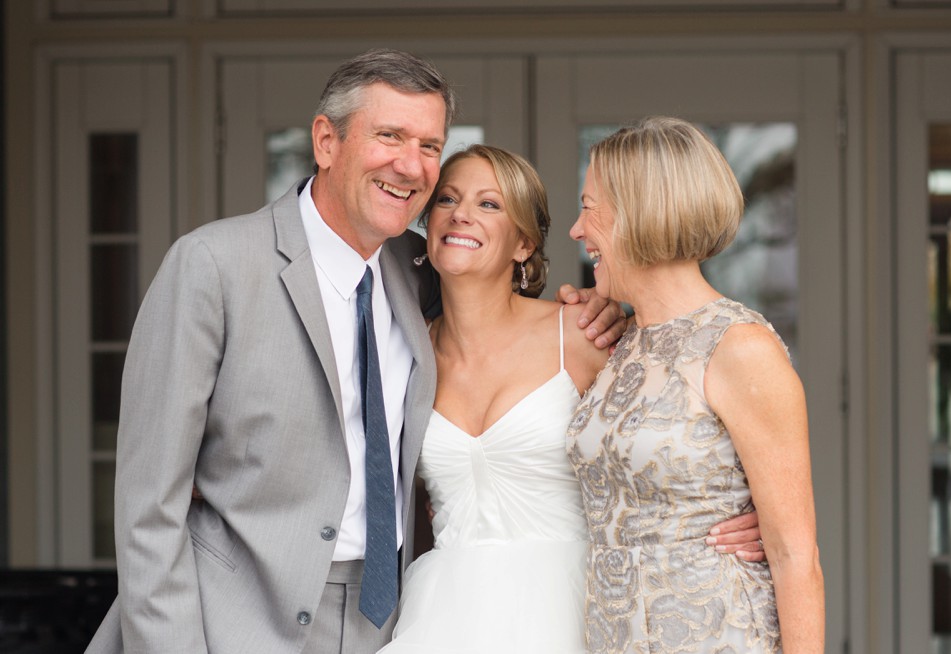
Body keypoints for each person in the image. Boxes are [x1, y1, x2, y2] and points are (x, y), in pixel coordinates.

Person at [85, 49, 623, 654]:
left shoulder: (419, 275)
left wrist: (595, 310)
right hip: (232, 619)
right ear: (326, 141)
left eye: (428, 145)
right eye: (389, 135)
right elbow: (148, 504)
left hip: (388, 623)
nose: (411, 165)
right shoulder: (214, 265)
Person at [379, 145, 768, 653]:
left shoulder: (583, 333)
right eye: (447, 199)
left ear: (523, 244)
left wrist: (749, 513)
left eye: (489, 204)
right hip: (444, 616)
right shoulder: (404, 349)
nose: (462, 214)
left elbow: (680, 430)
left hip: (574, 608)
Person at [566, 116, 824, 653]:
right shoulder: (619, 342)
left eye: (588, 209)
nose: (575, 229)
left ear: (640, 213)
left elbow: (796, 557)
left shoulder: (739, 347)